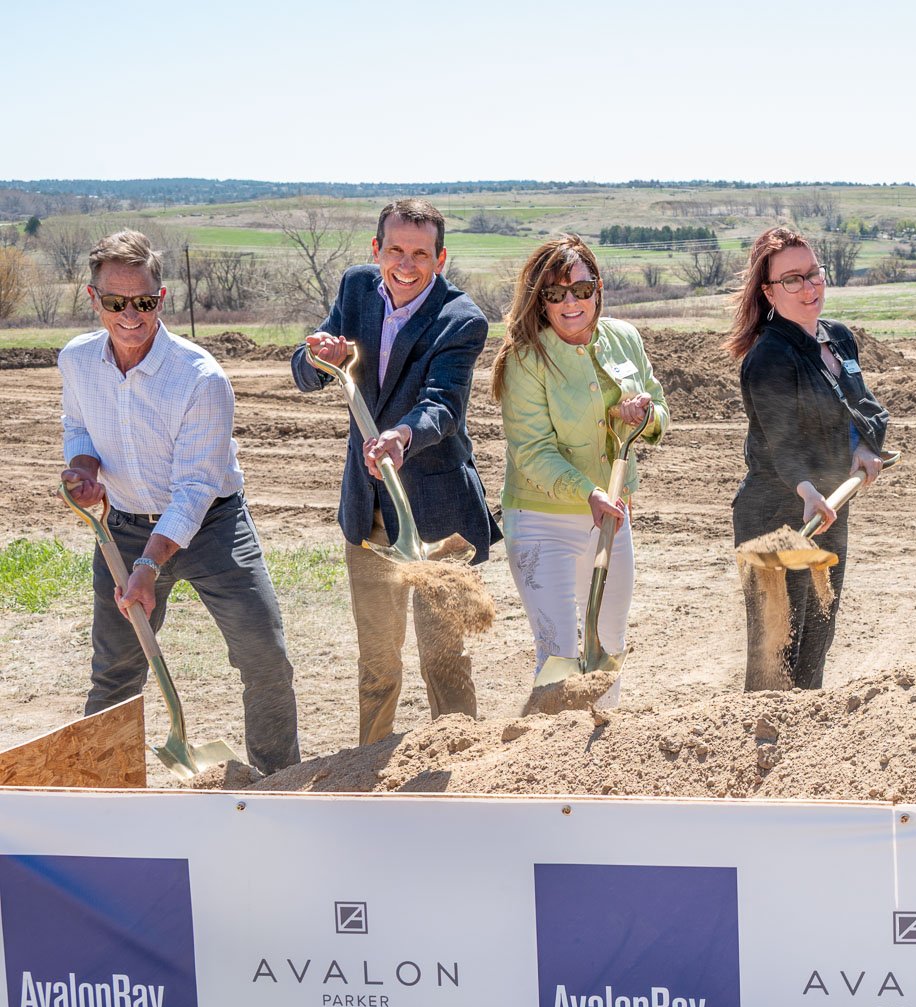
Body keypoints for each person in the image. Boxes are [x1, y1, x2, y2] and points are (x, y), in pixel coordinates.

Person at [59, 230, 300, 773]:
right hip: (121, 525)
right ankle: (104, 788)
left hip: (214, 527)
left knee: (265, 659)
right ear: (93, 299)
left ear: (160, 300)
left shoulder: (200, 378)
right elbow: (77, 426)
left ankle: (277, 780)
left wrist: (149, 563)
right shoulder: (75, 361)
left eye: (142, 302)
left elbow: (194, 487)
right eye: (115, 302)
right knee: (115, 670)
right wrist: (83, 470)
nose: (130, 315)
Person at [290, 199, 499, 744]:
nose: (406, 265)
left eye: (421, 254)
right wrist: (318, 356)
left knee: (442, 659)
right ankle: (370, 769)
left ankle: (460, 766)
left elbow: (444, 405)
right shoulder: (357, 289)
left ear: (441, 258)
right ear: (376, 249)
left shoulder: (462, 319)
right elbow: (307, 368)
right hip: (371, 511)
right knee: (378, 664)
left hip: (440, 515)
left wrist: (403, 434)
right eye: (396, 250)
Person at [493, 235, 667, 676]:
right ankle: (552, 741)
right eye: (555, 293)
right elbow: (532, 451)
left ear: (599, 288)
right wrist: (587, 491)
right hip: (541, 522)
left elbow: (661, 411)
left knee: (608, 643)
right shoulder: (525, 358)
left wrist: (642, 418)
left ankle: (603, 741)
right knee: (558, 654)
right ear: (542, 300)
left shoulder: (624, 338)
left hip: (611, 518)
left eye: (582, 290)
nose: (571, 302)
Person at [727, 226, 889, 690]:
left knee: (817, 637)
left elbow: (866, 407)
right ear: (768, 291)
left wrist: (863, 444)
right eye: (792, 279)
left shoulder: (839, 339)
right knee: (777, 648)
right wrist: (805, 488)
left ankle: (803, 755)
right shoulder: (768, 357)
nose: (808, 287)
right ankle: (758, 749)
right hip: (777, 515)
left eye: (813, 273)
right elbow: (782, 441)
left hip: (829, 507)